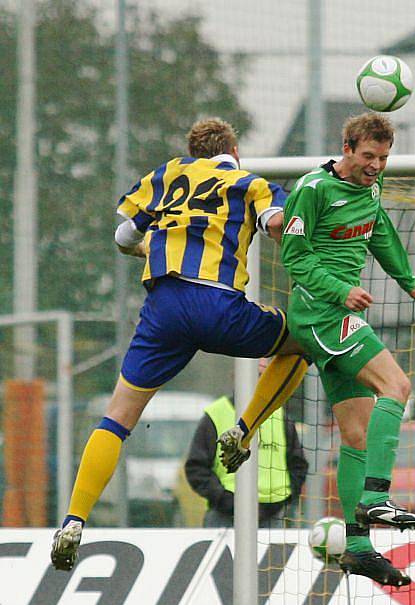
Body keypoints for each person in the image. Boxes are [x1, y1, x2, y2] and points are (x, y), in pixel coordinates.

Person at [50, 117, 309, 571]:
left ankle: (74, 519)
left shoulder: (168, 175)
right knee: (303, 341)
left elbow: (124, 236)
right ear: (234, 151)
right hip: (219, 306)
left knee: (117, 417)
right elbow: (277, 225)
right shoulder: (250, 183)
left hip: (163, 310)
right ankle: (243, 431)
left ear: (194, 150)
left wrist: (145, 248)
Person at [277, 112, 415, 587]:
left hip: (339, 316)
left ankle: (360, 545)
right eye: (368, 156)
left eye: (384, 158)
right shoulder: (312, 188)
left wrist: (409, 282)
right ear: (347, 148)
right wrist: (338, 290)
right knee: (398, 385)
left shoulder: (370, 189)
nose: (376, 166)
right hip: (321, 313)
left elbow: (380, 231)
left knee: (355, 435)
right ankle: (376, 495)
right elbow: (294, 255)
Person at [185, 389, 308, 528]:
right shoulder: (216, 414)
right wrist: (224, 499)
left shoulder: (279, 416)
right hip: (224, 517)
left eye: (263, 374)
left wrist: (282, 500)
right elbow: (196, 468)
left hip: (273, 516)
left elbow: (299, 465)